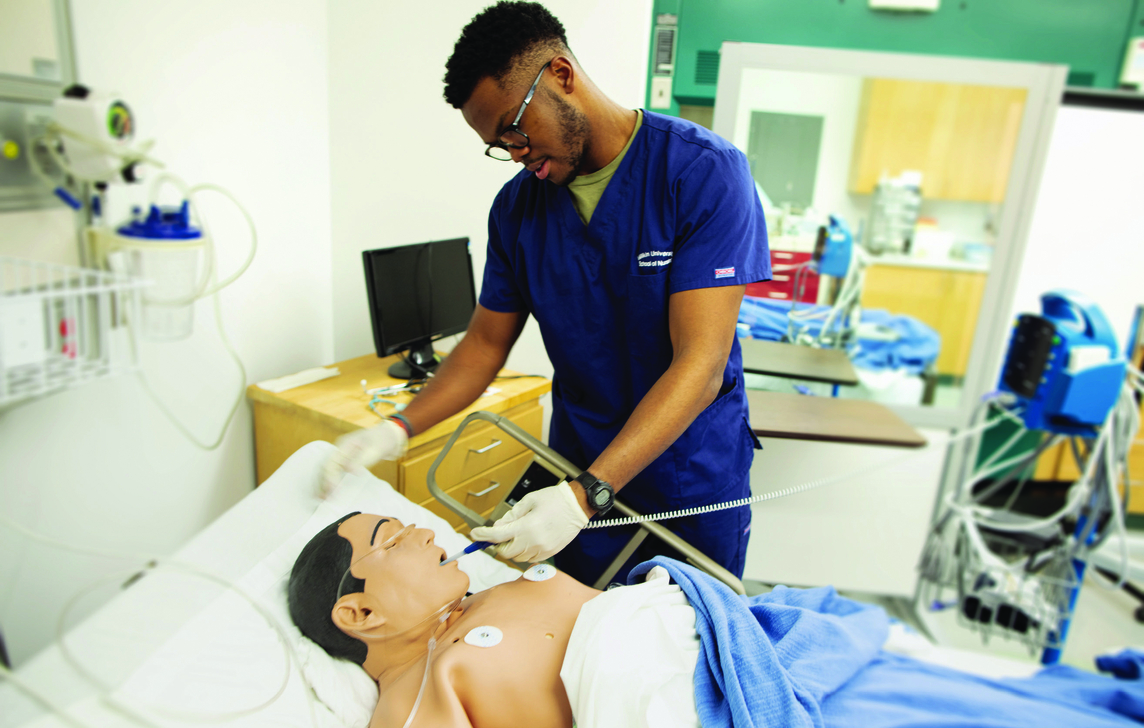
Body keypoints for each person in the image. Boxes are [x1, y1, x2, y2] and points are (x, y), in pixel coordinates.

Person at [321, 1, 770, 586]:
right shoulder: (517, 209)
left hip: (686, 474)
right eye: (498, 144)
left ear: (561, 75)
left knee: (686, 650)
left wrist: (585, 496)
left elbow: (701, 364)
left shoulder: (700, 173)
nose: (514, 152)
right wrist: (397, 428)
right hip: (577, 468)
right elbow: (484, 344)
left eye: (515, 128)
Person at [289, 512, 1144, 728]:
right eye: (396, 538)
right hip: (706, 705)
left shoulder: (477, 598)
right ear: (359, 610)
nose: (428, 532)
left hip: (746, 657)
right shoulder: (420, 693)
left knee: (964, 693)